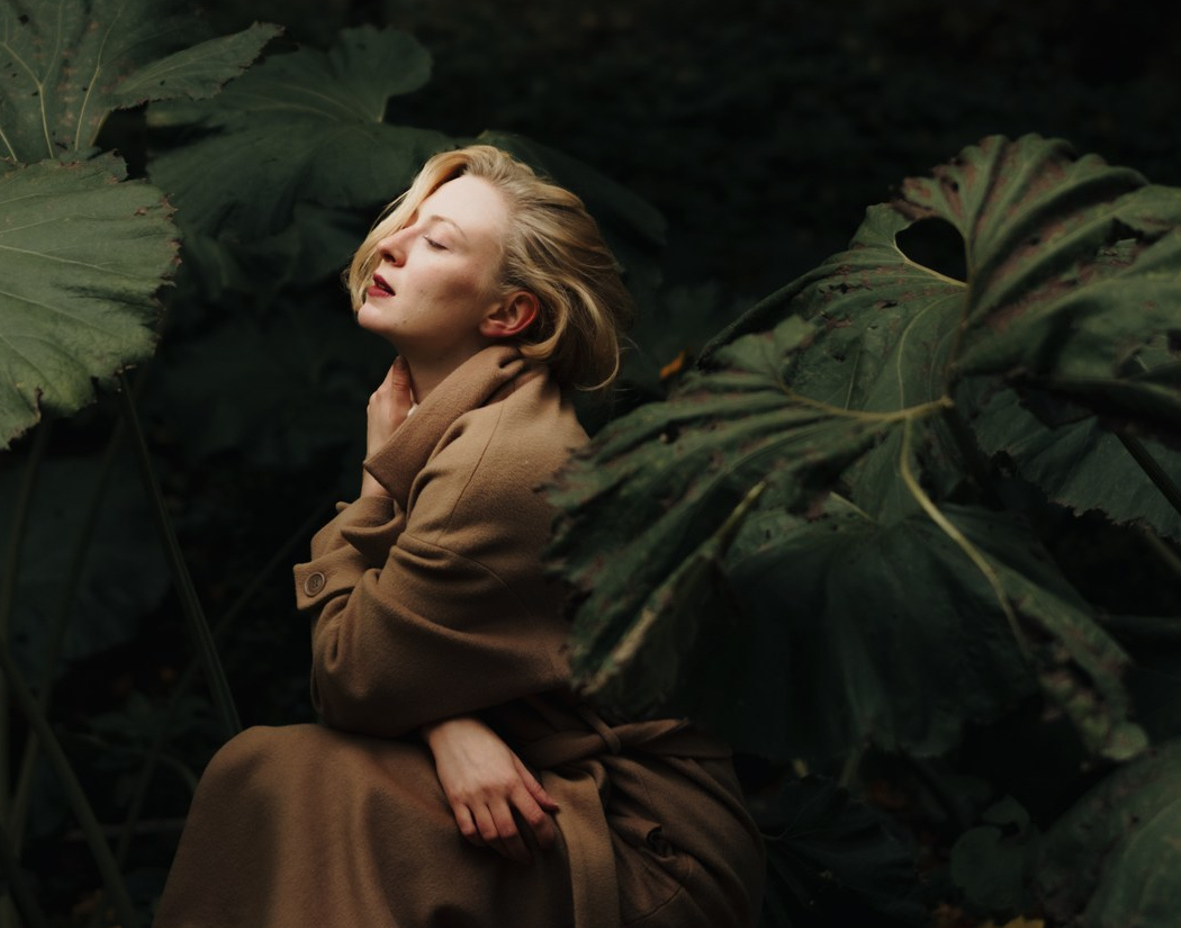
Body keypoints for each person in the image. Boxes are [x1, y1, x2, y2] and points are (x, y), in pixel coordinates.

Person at [155, 144, 767, 928]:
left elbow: (351, 677)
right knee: (275, 773)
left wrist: (376, 491)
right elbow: (403, 668)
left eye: (437, 242)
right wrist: (448, 723)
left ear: (508, 314)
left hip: (645, 852)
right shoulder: (470, 425)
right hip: (553, 792)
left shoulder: (501, 464)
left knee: (297, 777)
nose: (393, 245)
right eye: (405, 224)